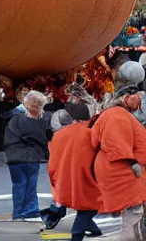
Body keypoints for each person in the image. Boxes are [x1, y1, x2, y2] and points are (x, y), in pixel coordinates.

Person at [91, 94, 146, 240]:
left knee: (134, 206)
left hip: (121, 166)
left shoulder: (112, 115)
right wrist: (132, 163)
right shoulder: (117, 117)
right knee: (134, 207)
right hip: (123, 168)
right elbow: (116, 143)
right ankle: (130, 237)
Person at [48, 103, 102, 240]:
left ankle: (93, 228)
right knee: (89, 206)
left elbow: (53, 162)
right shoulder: (91, 133)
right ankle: (78, 233)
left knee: (83, 205)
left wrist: (55, 178)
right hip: (86, 176)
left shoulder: (59, 135)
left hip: (64, 177)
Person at [4, 90, 49, 221]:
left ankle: (19, 213)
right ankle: (31, 210)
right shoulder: (42, 122)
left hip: (15, 158)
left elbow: (7, 137)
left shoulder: (15, 119)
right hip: (33, 158)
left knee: (19, 185)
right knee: (31, 185)